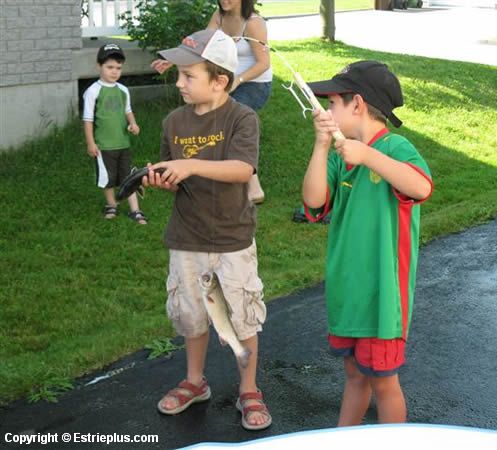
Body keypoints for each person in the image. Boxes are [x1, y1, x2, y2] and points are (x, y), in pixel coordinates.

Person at [143, 29, 271, 431]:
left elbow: (242, 169)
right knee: (192, 315)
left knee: (242, 316)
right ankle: (195, 381)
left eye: (188, 76)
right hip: (186, 238)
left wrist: (190, 165)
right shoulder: (173, 121)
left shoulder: (241, 118)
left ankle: (249, 388)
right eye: (179, 75)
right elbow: (176, 177)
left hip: (232, 239)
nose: (179, 83)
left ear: (219, 81)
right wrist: (164, 178)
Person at [301, 60, 433, 425]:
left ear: (356, 104)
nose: (327, 110)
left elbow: (421, 187)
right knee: (354, 375)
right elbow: (313, 200)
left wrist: (369, 157)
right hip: (348, 293)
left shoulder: (394, 146)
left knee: (384, 382)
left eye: (332, 103)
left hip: (383, 300)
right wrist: (321, 145)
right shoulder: (340, 156)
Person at [152, 0, 272, 204]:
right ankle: (212, 166)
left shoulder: (253, 23)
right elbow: (203, 47)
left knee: (229, 117)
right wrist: (174, 60)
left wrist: (238, 80)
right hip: (223, 80)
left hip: (254, 83)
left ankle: (252, 184)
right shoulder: (218, 16)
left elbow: (264, 63)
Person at [82, 43, 146, 224]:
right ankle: (112, 205)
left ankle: (135, 211)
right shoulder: (93, 91)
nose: (114, 72)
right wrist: (91, 143)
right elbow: (88, 119)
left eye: (118, 68)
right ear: (99, 66)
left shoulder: (123, 90)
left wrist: (133, 123)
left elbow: (128, 111)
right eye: (109, 67)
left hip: (123, 143)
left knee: (128, 177)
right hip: (104, 145)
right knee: (108, 178)